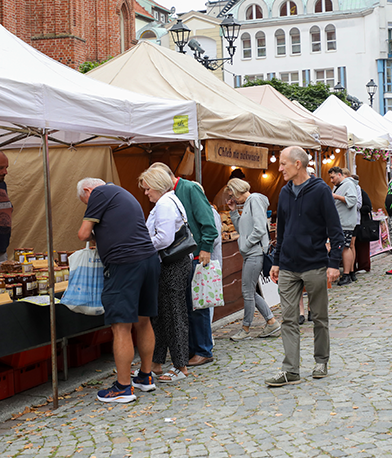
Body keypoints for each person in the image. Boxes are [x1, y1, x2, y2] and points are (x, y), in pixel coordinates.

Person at [266, 146, 344, 387]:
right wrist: (277, 261)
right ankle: (291, 369)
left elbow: (335, 229)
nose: (280, 168)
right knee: (288, 319)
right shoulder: (285, 192)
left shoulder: (320, 190)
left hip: (315, 265)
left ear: (298, 164)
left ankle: (321, 361)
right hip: (289, 265)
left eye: (283, 164)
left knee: (319, 317)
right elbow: (281, 230)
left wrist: (334, 263)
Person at [76, 178, 158, 403]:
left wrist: (93, 232)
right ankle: (145, 376)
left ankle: (123, 387)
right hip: (148, 259)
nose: (88, 206)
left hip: (124, 264)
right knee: (144, 320)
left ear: (87, 190)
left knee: (121, 326)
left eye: (85, 202)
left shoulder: (99, 193)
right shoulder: (121, 193)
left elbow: (83, 234)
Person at [147, 163, 219, 368]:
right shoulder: (171, 195)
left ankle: (204, 350)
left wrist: (205, 247)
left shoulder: (189, 189)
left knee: (198, 304)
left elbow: (207, 222)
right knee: (187, 305)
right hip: (184, 256)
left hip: (194, 254)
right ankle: (191, 350)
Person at [136, 168, 193, 383]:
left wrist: (142, 246)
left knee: (174, 315)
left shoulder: (165, 205)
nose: (146, 192)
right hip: (172, 264)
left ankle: (180, 365)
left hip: (172, 265)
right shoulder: (170, 201)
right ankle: (157, 362)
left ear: (158, 186)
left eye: (148, 188)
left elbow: (164, 238)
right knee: (162, 315)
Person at [225, 178, 281, 341]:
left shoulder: (254, 200)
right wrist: (233, 212)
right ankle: (271, 322)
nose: (233, 198)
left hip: (254, 253)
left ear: (237, 190)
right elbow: (241, 229)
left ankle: (246, 328)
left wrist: (246, 245)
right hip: (250, 252)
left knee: (248, 291)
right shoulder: (249, 203)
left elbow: (258, 228)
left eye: (232, 195)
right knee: (249, 291)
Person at [328, 166, 359, 285]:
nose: (331, 180)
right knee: (346, 246)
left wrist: (335, 197)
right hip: (341, 221)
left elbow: (352, 200)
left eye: (333, 177)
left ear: (340, 174)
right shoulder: (339, 186)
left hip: (345, 221)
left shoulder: (348, 184)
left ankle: (346, 274)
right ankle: (350, 273)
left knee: (346, 247)